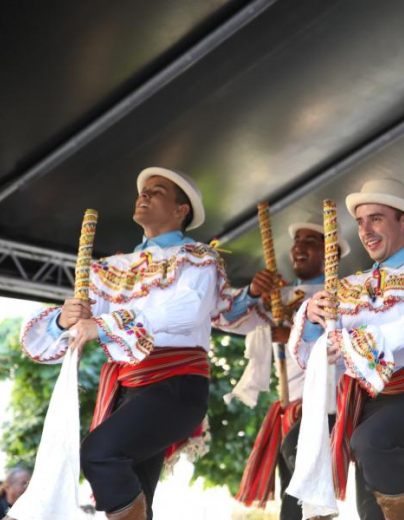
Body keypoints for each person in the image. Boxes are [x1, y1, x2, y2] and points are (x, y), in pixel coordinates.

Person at [21, 167, 252, 520]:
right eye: (142, 190)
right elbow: (54, 342)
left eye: (156, 191)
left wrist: (104, 323)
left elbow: (187, 309)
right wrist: (64, 319)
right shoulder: (112, 268)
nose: (143, 195)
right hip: (129, 387)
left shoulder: (199, 258)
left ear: (181, 210)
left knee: (101, 454)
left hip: (176, 381)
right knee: (137, 487)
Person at [288, 179, 404, 519]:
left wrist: (357, 340)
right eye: (360, 222)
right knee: (298, 446)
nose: (366, 230)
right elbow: (310, 352)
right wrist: (313, 317)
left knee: (372, 441)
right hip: (372, 404)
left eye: (376, 218)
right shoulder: (350, 287)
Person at [221, 214, 349, 519]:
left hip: (328, 403)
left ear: (330, 253)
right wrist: (252, 293)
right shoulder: (278, 296)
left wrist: (290, 332)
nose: (299, 248)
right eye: (296, 241)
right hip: (290, 405)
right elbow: (225, 320)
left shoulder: (343, 294)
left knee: (302, 477)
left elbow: (345, 343)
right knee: (291, 493)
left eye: (311, 241)